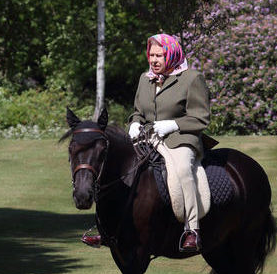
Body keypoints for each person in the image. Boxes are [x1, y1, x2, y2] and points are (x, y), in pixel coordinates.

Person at [83, 33, 210, 252]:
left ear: (171, 54)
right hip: (148, 138)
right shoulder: (145, 78)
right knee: (115, 167)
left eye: (159, 55)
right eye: (151, 55)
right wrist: (134, 123)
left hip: (180, 139)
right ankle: (105, 229)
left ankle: (192, 230)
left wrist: (173, 125)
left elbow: (201, 118)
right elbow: (138, 112)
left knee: (182, 171)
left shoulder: (191, 78)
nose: (154, 60)